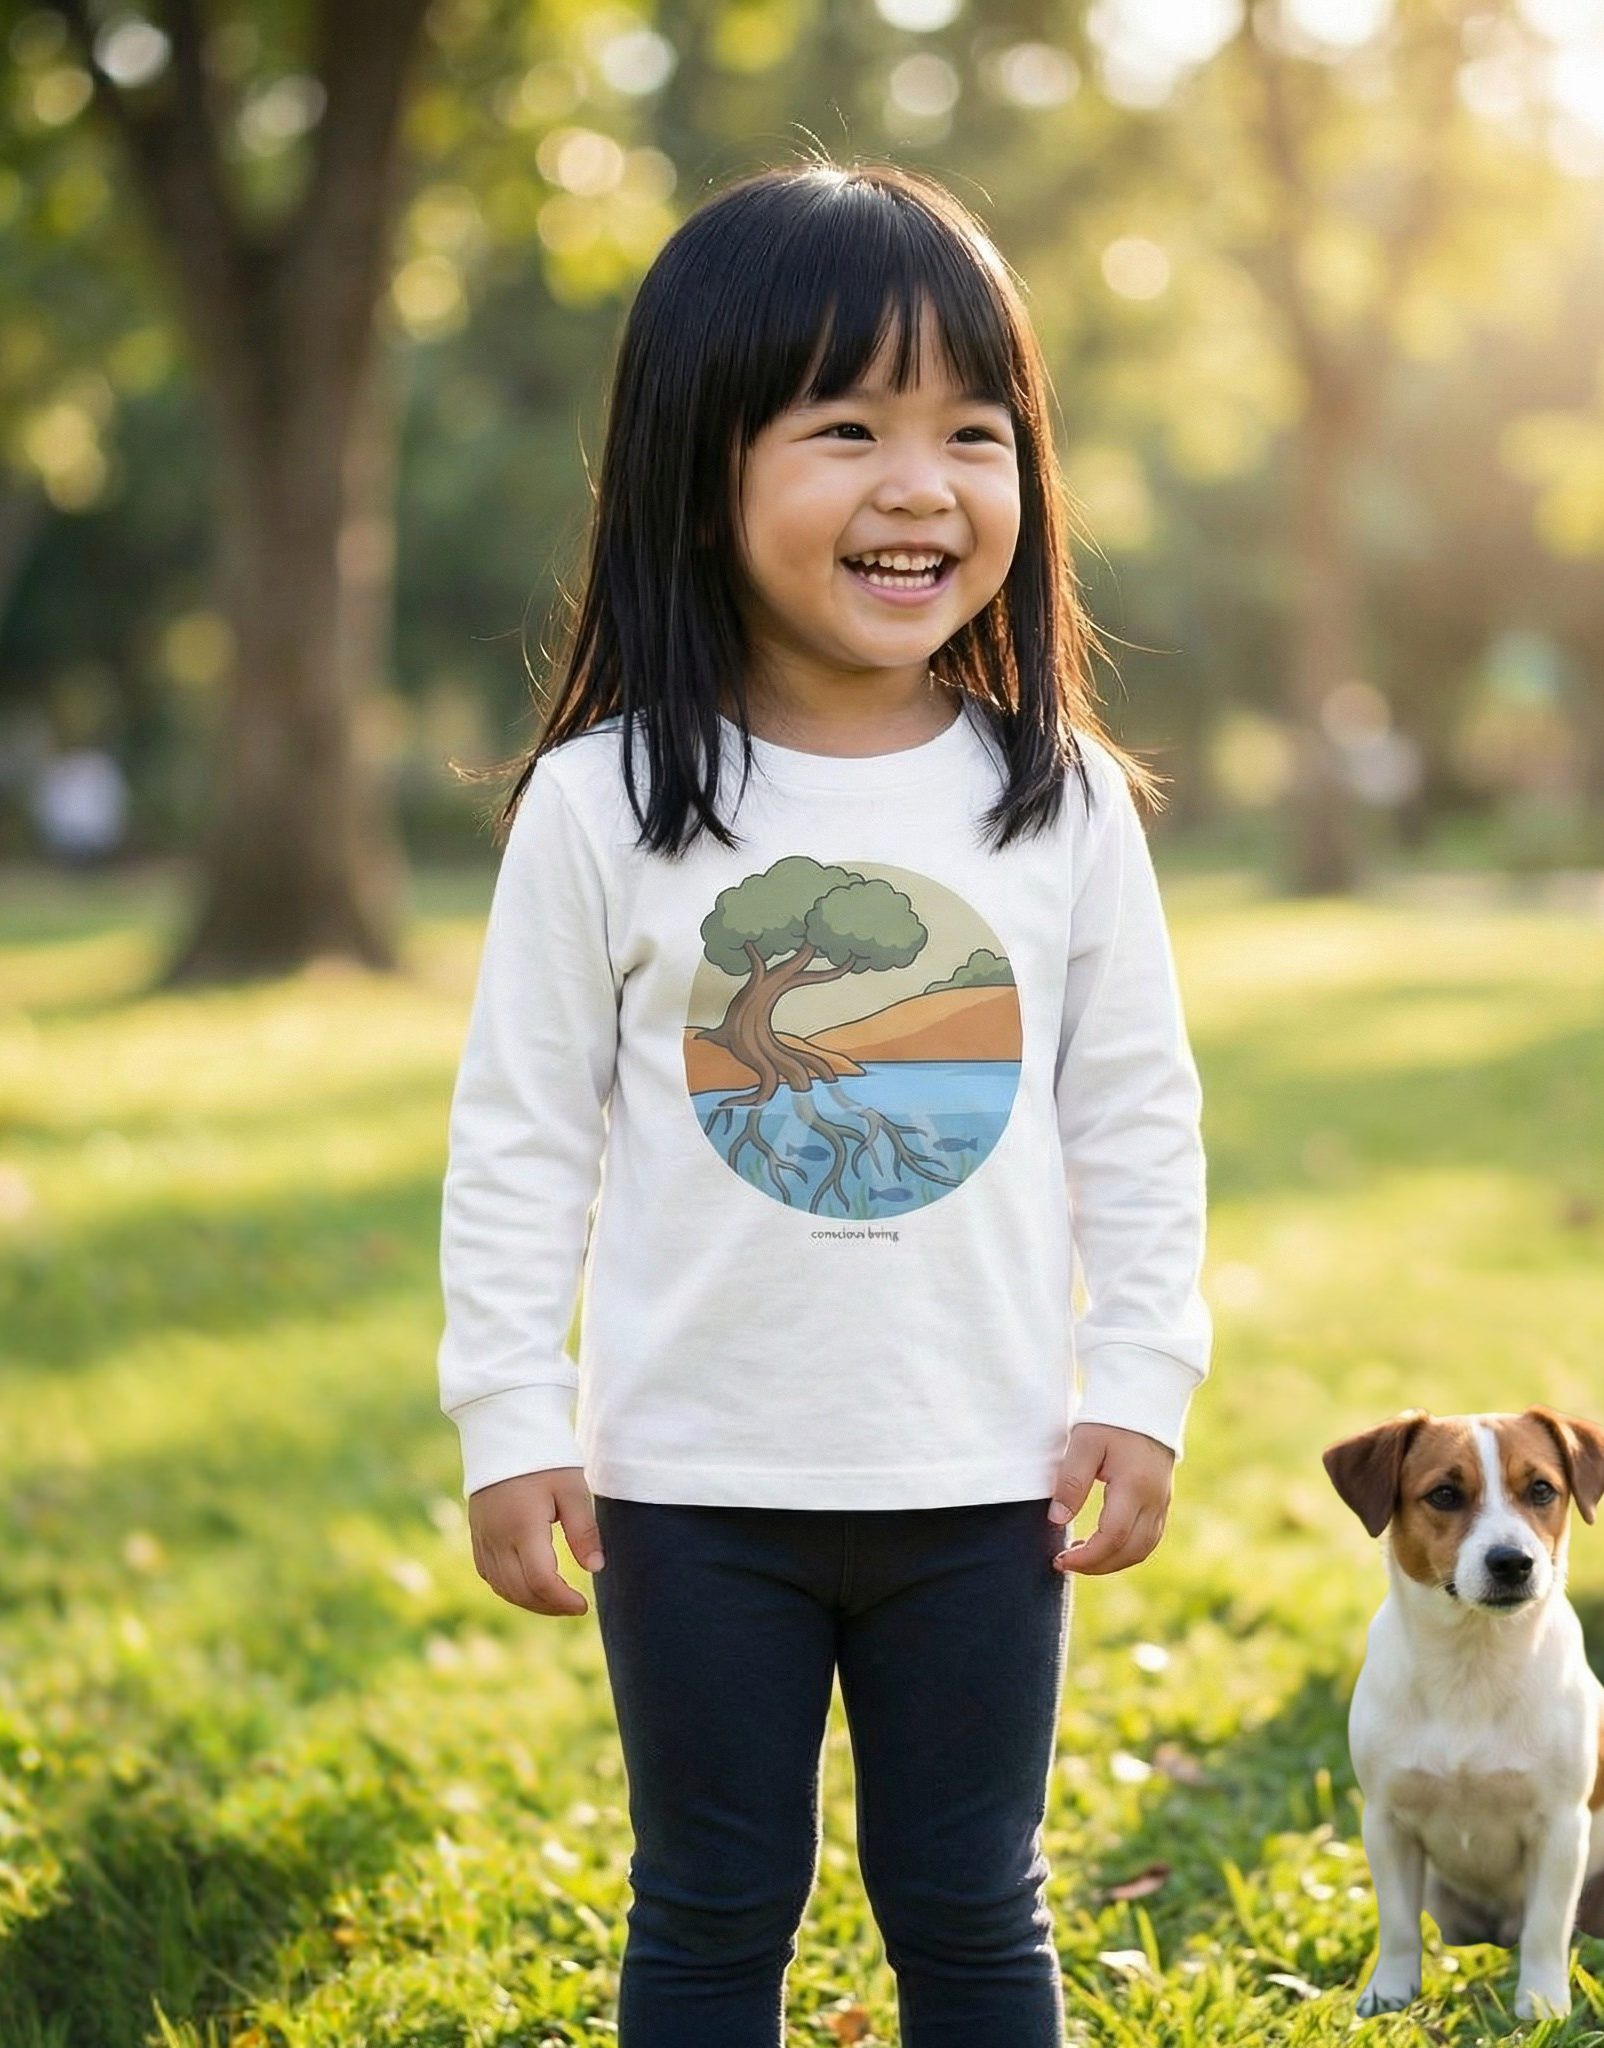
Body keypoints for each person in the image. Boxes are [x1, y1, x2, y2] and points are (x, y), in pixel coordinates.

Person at [437, 160, 1211, 2047]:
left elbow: (1135, 1113)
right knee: (709, 1904)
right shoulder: (605, 805)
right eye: (849, 428)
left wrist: (1141, 1380)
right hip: (694, 1485)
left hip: (983, 1478)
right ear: (699, 470)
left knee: (973, 1899)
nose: (921, 485)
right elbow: (522, 1136)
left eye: (974, 432)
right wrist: (509, 1414)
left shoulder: (1059, 799)